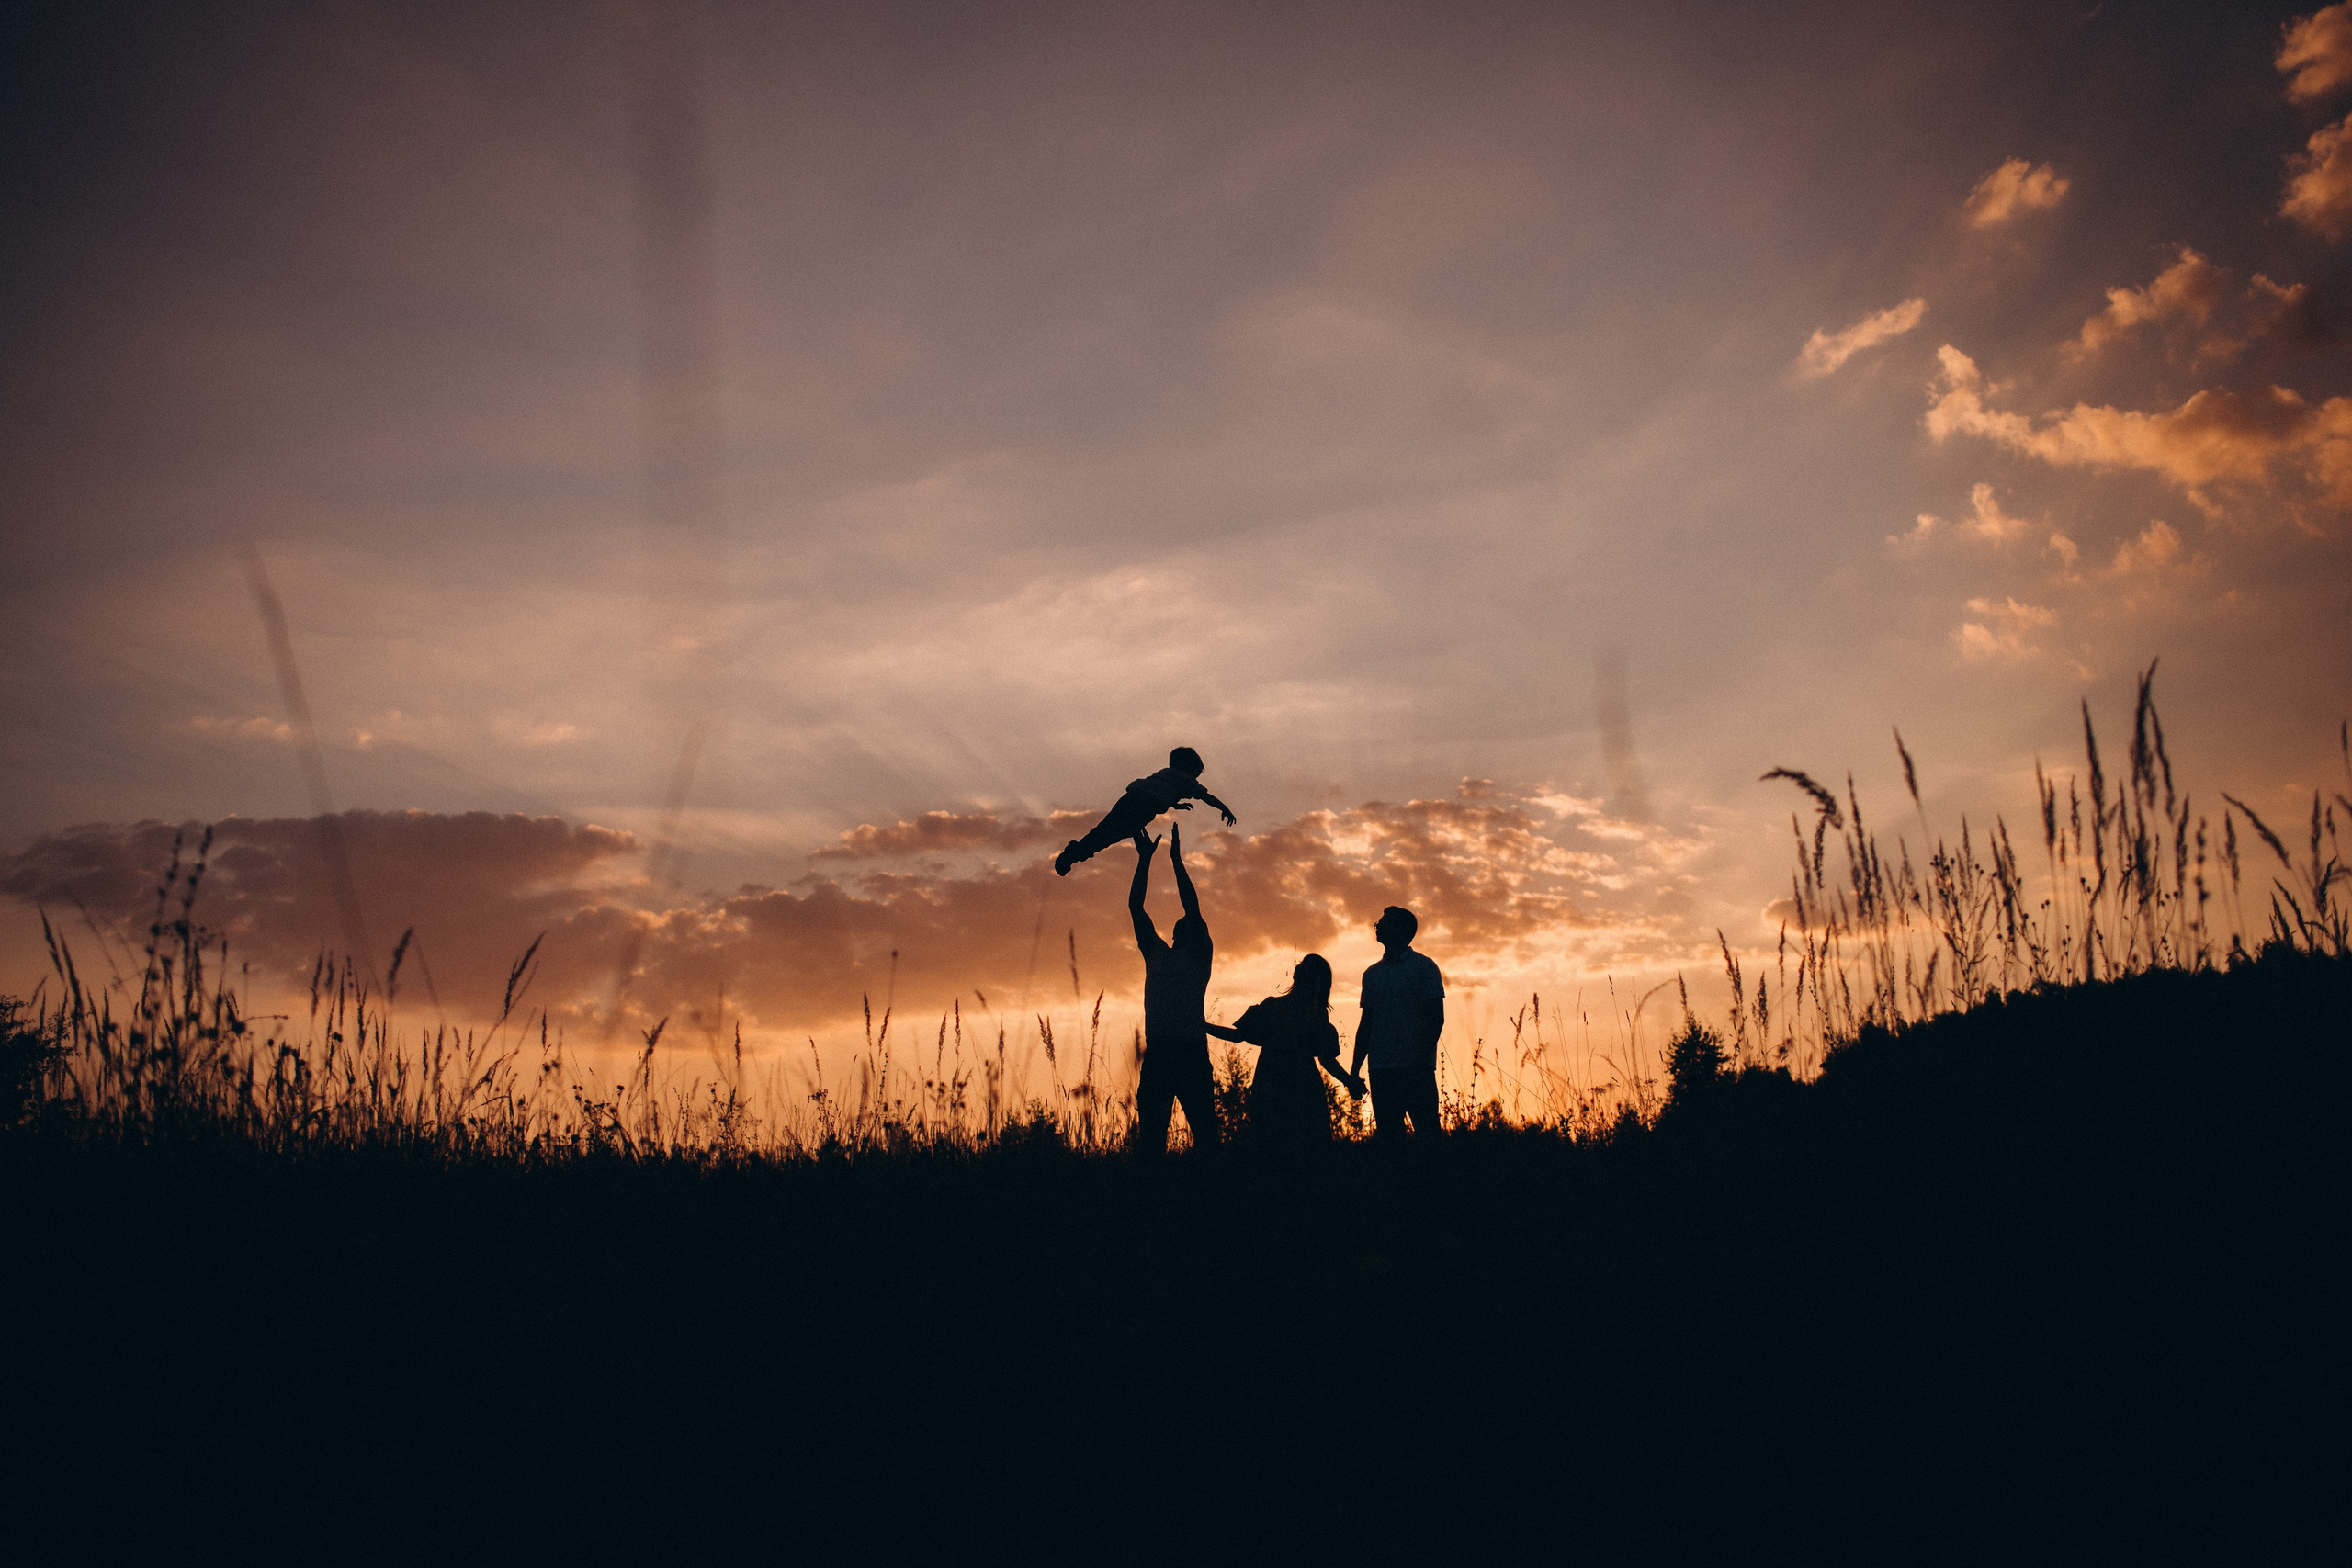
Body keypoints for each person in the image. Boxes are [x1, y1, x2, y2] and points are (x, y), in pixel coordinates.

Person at [1205, 953, 1363, 1148]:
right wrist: (1350, 1081)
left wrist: (1203, 1026)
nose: (1299, 968)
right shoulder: (1309, 1012)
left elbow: (1238, 1036)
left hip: (1280, 1087)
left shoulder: (1283, 1008)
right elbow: (1326, 1059)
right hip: (1290, 1088)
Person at [1127, 824, 1218, 1156]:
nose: (1190, 920)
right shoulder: (1157, 954)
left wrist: (1177, 861)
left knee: (1206, 1136)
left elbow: (1192, 908)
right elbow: (1136, 908)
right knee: (1151, 1139)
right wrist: (1144, 860)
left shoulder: (1200, 956)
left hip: (1191, 1052)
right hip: (1160, 1053)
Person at [1055, 747, 1237, 875]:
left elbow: (1160, 791)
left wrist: (1175, 804)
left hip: (1130, 799)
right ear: (1189, 770)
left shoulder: (1166, 774)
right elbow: (1205, 796)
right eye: (1195, 776)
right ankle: (1076, 853)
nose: (1194, 781)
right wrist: (1224, 807)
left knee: (1104, 829)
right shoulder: (1184, 778)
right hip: (1142, 809)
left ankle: (1074, 852)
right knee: (1111, 835)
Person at [1347, 906, 1445, 1141]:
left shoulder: (1424, 967)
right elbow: (1366, 1025)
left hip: (1416, 1069)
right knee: (1390, 1141)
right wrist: (1355, 1069)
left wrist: (1420, 1061)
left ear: (1401, 930)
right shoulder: (1371, 974)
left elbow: (1436, 1019)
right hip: (1381, 1070)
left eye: (1384, 922)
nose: (1378, 926)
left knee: (1428, 1137)